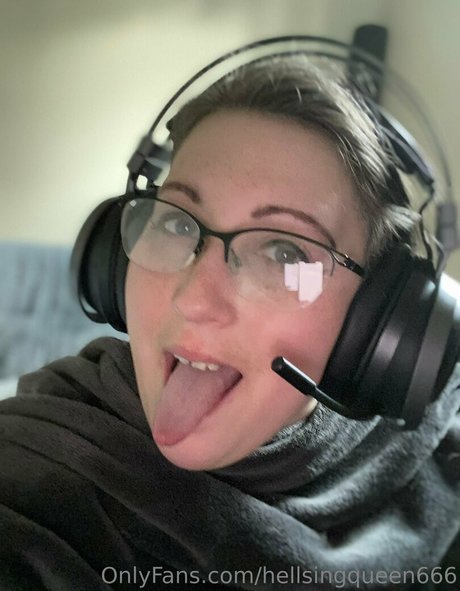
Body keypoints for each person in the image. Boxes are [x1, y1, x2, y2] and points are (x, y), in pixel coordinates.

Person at [0, 39, 459, 590]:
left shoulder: (442, 470)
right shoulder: (31, 475)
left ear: (379, 328)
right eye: (176, 222)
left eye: (285, 253)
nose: (194, 299)